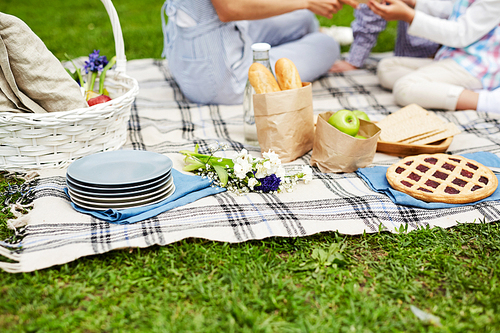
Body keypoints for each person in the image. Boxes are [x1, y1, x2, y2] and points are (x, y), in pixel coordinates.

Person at [161, 0, 357, 105]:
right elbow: (230, 8)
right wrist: (306, 1)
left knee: (304, 18)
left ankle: (300, 43)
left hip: (214, 37)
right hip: (219, 80)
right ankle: (311, 42)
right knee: (327, 44)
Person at [368, 0, 500, 113]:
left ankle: (486, 101)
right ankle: (455, 90)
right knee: (387, 67)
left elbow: (459, 34)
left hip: (477, 68)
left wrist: (410, 16)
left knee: (404, 88)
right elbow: (450, 9)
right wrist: (413, 2)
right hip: (452, 58)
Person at [330, 2, 440, 72]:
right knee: (389, 73)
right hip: (417, 56)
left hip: (448, 54)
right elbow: (370, 18)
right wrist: (354, 60)